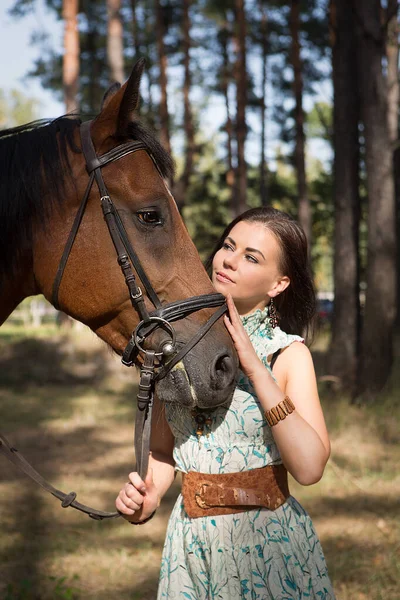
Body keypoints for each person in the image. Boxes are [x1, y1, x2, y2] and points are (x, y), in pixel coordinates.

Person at [116, 207, 335, 599]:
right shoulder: (176, 346)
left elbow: (310, 467)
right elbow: (165, 452)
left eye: (251, 257)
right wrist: (148, 494)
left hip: (269, 548)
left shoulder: (286, 355)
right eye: (229, 246)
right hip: (192, 549)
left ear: (278, 284)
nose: (229, 260)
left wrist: (255, 368)